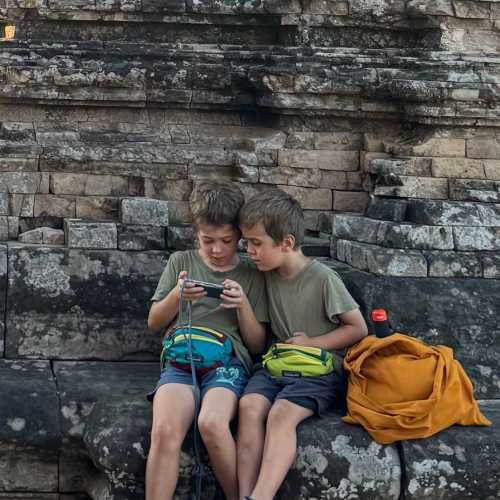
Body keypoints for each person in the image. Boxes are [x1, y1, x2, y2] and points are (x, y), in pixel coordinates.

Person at [237, 189, 368, 500]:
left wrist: (314, 343)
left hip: (320, 370)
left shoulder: (323, 278)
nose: (250, 251)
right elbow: (258, 342)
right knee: (249, 406)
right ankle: (243, 494)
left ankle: (261, 497)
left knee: (281, 414)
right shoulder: (265, 276)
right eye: (247, 243)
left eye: (257, 243)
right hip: (277, 364)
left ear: (287, 242)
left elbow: (358, 327)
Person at [145, 180, 268, 500]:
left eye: (226, 241)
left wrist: (242, 306)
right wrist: (177, 295)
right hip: (181, 360)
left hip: (227, 364)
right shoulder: (181, 262)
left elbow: (256, 346)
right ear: (195, 234)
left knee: (212, 423)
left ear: (239, 236)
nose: (216, 250)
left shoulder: (253, 275)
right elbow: (154, 322)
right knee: (164, 431)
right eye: (207, 241)